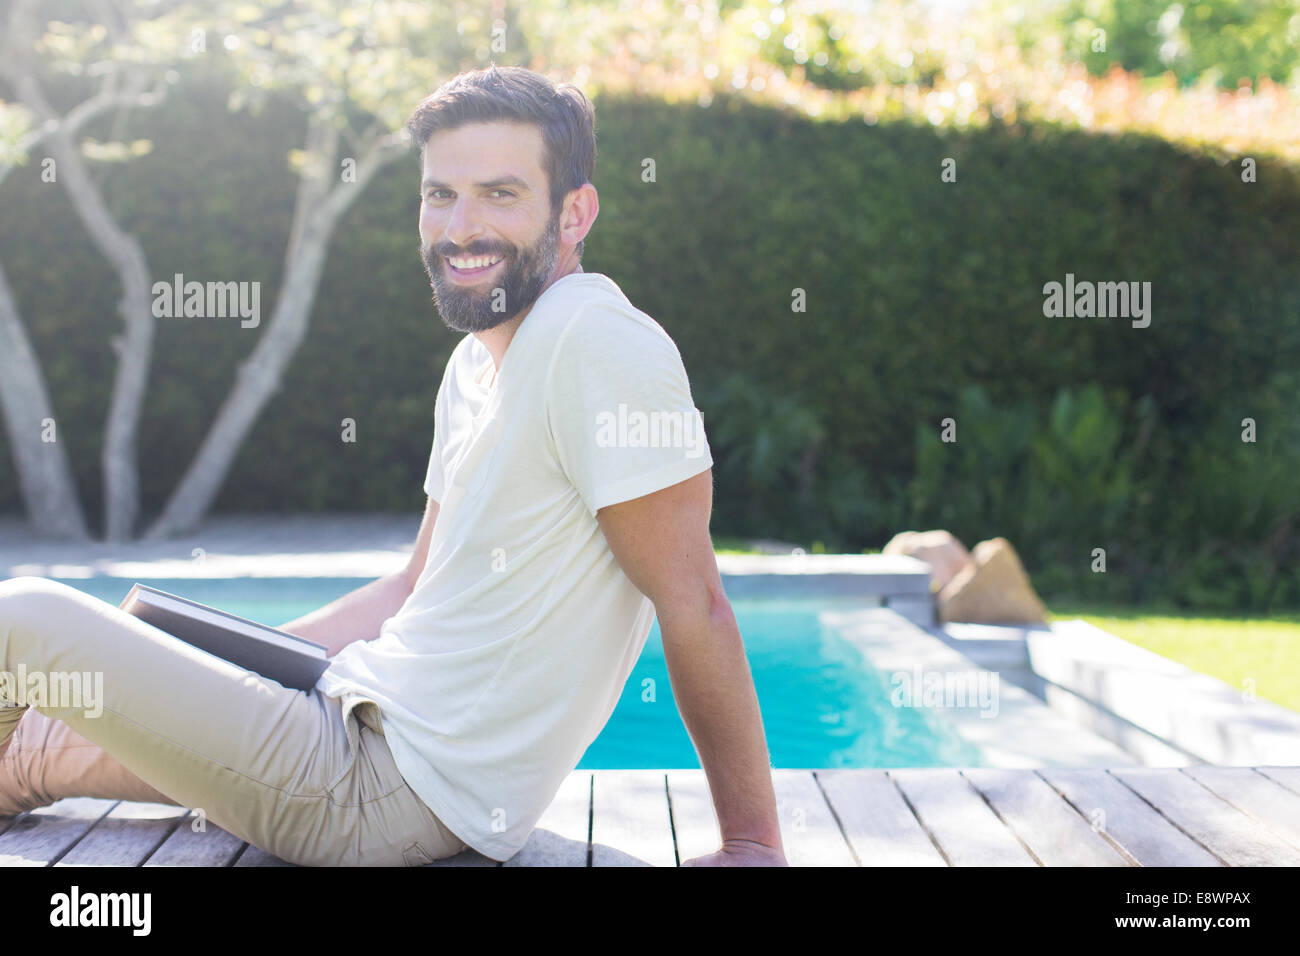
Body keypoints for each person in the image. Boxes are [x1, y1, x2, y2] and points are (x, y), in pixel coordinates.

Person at [0, 64, 787, 867]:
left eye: (500, 195)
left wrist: (753, 843)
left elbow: (696, 602)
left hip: (387, 788)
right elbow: (414, 589)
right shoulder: (478, 364)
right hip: (352, 723)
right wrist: (241, 665)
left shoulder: (596, 341)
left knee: (19, 616)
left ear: (575, 212)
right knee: (34, 742)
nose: (460, 227)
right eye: (440, 194)